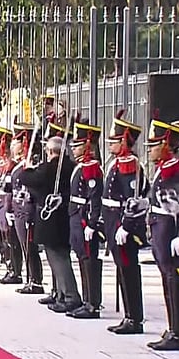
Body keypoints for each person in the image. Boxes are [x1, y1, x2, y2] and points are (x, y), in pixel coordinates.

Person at [144, 114, 179, 351]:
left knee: (175, 281)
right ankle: (173, 327)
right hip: (160, 226)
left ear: (165, 145)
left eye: (154, 145)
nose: (151, 150)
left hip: (169, 228)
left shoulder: (174, 169)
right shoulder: (163, 168)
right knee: (167, 279)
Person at [102, 110, 147, 335]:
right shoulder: (117, 162)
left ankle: (134, 318)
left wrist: (126, 226)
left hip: (123, 224)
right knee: (122, 269)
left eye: (114, 141)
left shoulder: (130, 164)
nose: (110, 144)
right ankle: (128, 315)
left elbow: (134, 198)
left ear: (124, 141)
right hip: (113, 221)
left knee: (129, 271)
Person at [23, 135, 79, 312]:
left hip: (52, 219)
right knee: (58, 258)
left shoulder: (50, 168)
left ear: (50, 151)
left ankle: (70, 295)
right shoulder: (71, 166)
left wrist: (27, 169)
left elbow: (28, 179)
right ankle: (61, 294)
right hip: (63, 218)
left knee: (59, 259)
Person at [65, 114, 104, 319]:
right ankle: (87, 300)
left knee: (89, 258)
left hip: (84, 217)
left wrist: (92, 222)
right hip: (76, 215)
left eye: (78, 145)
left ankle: (93, 304)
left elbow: (94, 197)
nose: (73, 148)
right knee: (82, 257)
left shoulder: (91, 168)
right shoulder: (81, 166)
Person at [10, 122, 45, 295]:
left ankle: (36, 280)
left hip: (28, 210)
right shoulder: (19, 165)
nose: (11, 145)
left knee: (30, 246)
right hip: (19, 209)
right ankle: (30, 278)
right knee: (24, 246)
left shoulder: (31, 165)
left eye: (15, 142)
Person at [0, 125, 22, 283]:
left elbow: (8, 190)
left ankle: (15, 270)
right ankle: (8, 268)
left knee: (10, 240)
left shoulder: (11, 165)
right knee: (2, 240)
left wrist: (8, 208)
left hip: (6, 205)